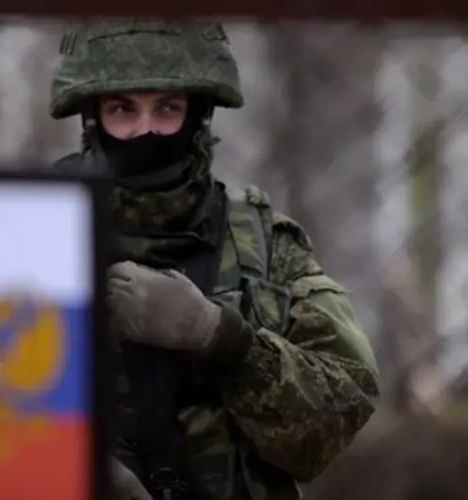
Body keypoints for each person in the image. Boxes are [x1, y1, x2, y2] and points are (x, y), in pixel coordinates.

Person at [49, 19, 379, 500]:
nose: (145, 131)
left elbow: (337, 417)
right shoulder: (41, 239)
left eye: (168, 108)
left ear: (199, 114)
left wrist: (220, 338)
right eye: (123, 109)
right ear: (92, 117)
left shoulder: (264, 246)